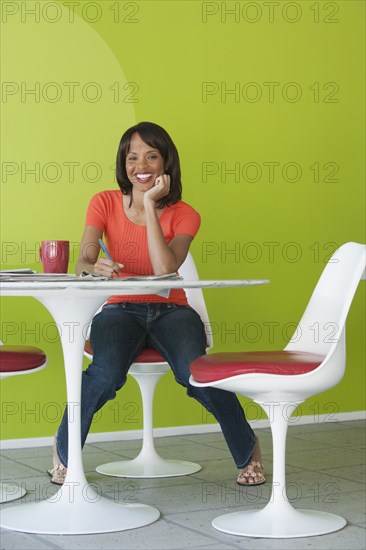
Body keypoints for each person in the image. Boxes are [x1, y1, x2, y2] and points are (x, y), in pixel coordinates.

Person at [47, 121, 265, 487]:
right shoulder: (102, 203)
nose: (140, 165)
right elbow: (83, 262)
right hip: (119, 309)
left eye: (151, 156)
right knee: (105, 375)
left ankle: (248, 451)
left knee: (198, 376)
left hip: (172, 311)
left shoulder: (185, 213)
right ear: (123, 163)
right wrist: (93, 267)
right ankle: (63, 451)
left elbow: (166, 269)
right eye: (132, 157)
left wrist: (148, 205)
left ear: (166, 163)